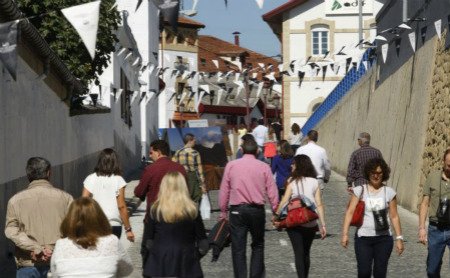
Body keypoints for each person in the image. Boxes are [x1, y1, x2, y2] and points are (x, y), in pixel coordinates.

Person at [219, 138, 279, 278]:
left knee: (238, 248)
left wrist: (223, 211)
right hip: (256, 210)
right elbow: (272, 191)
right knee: (258, 245)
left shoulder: (231, 165)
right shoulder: (264, 167)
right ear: (258, 151)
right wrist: (275, 211)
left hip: (236, 210)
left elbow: (224, 190)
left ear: (241, 150)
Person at [5, 157, 73, 278]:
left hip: (27, 264)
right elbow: (74, 231)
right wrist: (51, 250)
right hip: (58, 264)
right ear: (48, 173)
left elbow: (11, 231)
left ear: (28, 175)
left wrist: (36, 248)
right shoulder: (66, 198)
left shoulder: (14, 201)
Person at [341, 158, 404, 278]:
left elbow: (394, 216)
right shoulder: (360, 190)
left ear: (383, 173)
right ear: (368, 173)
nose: (376, 176)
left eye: (379, 173)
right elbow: (350, 212)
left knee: (380, 273)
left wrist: (399, 238)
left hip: (384, 239)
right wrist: (345, 234)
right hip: (363, 238)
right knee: (364, 272)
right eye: (373, 173)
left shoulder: (389, 192)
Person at [143, 172, 208, 278]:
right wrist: (194, 255)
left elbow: (149, 241)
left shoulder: (155, 209)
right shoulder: (192, 210)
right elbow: (203, 244)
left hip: (160, 263)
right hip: (187, 262)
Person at [134, 140, 186, 266]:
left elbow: (139, 192)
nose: (150, 155)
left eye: (151, 152)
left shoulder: (150, 169)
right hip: (177, 218)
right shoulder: (180, 168)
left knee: (148, 253)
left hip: (154, 220)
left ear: (158, 152)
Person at [50, 197, 133, 277]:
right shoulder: (112, 241)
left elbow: (55, 273)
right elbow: (127, 269)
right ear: (100, 218)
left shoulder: (61, 245)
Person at [273, 155, 326, 278]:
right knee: (306, 253)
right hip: (310, 223)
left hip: (294, 223)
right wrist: (323, 225)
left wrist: (276, 216)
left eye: (294, 164)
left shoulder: (291, 181)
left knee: (298, 253)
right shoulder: (315, 182)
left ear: (299, 166)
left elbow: (284, 201)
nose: (291, 165)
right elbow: (319, 205)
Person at [82, 148, 134, 242]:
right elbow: (121, 206)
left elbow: (83, 202)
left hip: (95, 224)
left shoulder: (90, 178)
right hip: (113, 225)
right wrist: (128, 229)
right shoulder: (118, 180)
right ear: (115, 162)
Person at [418, 149, 450, 277]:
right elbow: (425, 203)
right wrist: (421, 228)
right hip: (435, 229)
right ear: (443, 162)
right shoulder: (433, 176)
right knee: (432, 270)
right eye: (449, 165)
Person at [173, 133, 207, 202]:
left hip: (181, 177)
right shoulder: (195, 153)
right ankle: (193, 211)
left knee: (183, 197)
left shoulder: (178, 152)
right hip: (192, 178)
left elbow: (173, 166)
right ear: (190, 141)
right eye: (194, 140)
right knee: (194, 198)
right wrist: (202, 184)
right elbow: (199, 170)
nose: (195, 142)